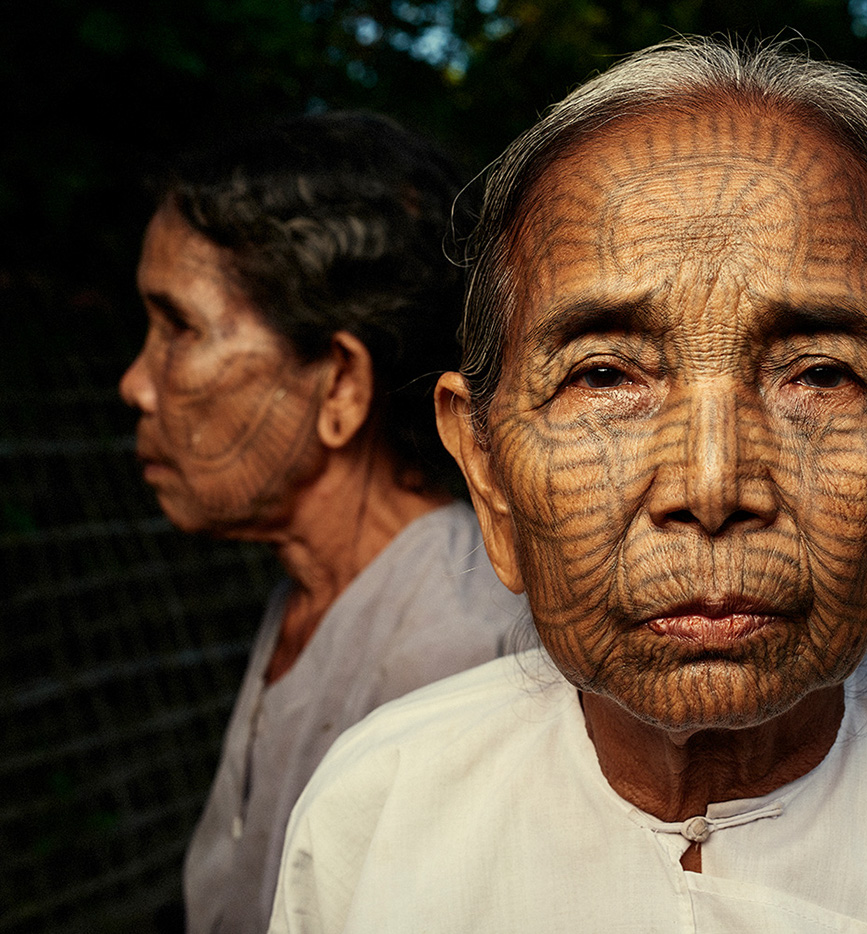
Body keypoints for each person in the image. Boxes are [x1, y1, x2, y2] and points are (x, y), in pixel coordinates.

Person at [268, 40, 867, 933]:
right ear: (488, 476)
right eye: (604, 376)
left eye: (821, 376)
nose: (712, 487)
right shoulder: (375, 818)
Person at [119, 112, 526, 934]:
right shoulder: (315, 595)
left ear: (340, 384)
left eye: (180, 329)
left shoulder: (453, 655)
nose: (137, 384)